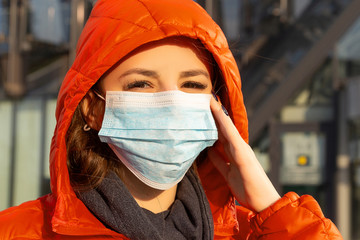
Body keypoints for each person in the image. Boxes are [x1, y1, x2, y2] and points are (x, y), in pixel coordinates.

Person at [0, 0, 342, 239]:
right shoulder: (22, 231)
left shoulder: (251, 232)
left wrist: (271, 204)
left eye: (192, 84)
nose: (172, 102)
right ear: (92, 108)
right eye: (141, 84)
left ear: (219, 107)